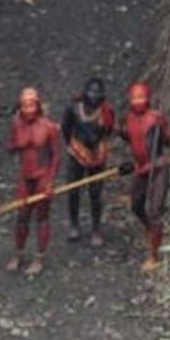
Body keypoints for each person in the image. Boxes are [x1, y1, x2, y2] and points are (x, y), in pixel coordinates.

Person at [5, 87, 61, 277]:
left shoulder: (48, 127)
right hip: (25, 175)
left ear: (38, 105)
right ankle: (18, 253)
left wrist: (51, 181)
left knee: (42, 216)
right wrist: (16, 145)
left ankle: (39, 257)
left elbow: (56, 156)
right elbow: (10, 147)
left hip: (42, 175)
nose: (28, 109)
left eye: (32, 105)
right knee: (22, 216)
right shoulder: (16, 124)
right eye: (25, 105)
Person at [119, 82, 170, 272]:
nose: (138, 102)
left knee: (156, 210)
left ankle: (154, 256)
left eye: (141, 98)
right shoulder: (128, 119)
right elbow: (129, 139)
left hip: (158, 167)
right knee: (136, 204)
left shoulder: (155, 118)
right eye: (134, 99)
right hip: (142, 168)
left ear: (147, 99)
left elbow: (168, 141)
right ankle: (150, 228)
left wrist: (160, 128)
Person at [61, 77, 116, 247]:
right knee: (73, 189)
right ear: (84, 93)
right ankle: (74, 225)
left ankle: (96, 229)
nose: (93, 97)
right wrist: (73, 145)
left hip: (97, 154)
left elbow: (109, 129)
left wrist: (98, 144)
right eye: (91, 93)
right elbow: (65, 128)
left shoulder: (106, 111)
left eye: (97, 94)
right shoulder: (73, 109)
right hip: (77, 151)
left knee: (95, 193)